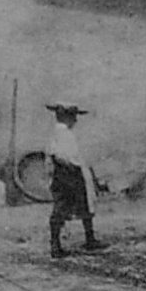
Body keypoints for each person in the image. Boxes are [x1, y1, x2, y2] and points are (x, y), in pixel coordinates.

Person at [45, 102, 105, 258]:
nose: (75, 120)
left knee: (84, 203)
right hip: (67, 173)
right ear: (65, 117)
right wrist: (72, 170)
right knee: (62, 207)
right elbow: (59, 156)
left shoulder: (63, 133)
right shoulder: (61, 133)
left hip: (71, 172)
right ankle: (56, 245)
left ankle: (89, 239)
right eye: (73, 116)